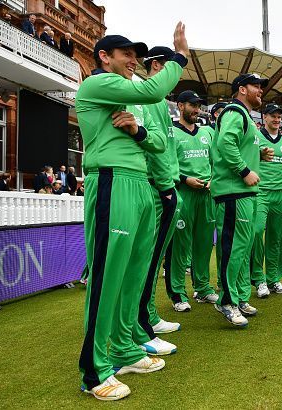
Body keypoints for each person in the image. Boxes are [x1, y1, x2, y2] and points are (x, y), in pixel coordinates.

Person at [76, 24, 189, 402]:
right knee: (108, 276)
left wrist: (138, 130)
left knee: (134, 273)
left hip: (140, 184)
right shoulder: (98, 84)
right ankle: (94, 371)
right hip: (112, 181)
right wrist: (178, 57)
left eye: (136, 55)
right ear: (104, 57)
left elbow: (158, 143)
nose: (134, 61)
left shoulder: (128, 98)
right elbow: (155, 87)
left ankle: (124, 349)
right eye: (126, 54)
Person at [129, 46, 184, 357]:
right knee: (146, 261)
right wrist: (165, 186)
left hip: (164, 184)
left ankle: (147, 316)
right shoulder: (147, 97)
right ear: (158, 66)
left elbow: (165, 146)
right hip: (155, 187)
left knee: (153, 260)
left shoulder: (161, 102)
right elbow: (154, 148)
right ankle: (141, 327)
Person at [211, 73, 272, 327]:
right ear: (242, 89)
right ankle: (226, 300)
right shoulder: (235, 111)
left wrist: (257, 153)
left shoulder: (246, 116)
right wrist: (245, 171)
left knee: (242, 248)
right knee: (233, 248)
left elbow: (237, 144)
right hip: (233, 190)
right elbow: (225, 143)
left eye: (261, 87)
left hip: (244, 193)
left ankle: (236, 296)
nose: (260, 90)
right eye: (256, 86)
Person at [165, 90, 218, 311]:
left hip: (206, 195)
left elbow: (217, 161)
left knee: (205, 244)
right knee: (180, 246)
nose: (196, 110)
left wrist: (214, 180)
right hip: (183, 193)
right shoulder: (171, 132)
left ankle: (203, 288)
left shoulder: (207, 132)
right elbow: (166, 165)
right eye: (192, 105)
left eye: (198, 106)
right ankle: (178, 293)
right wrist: (185, 179)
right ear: (180, 106)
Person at [250, 103, 282, 298]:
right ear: (264, 117)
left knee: (277, 236)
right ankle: (258, 279)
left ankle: (274, 279)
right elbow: (247, 159)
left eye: (279, 116)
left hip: (278, 194)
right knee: (257, 231)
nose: (276, 119)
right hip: (260, 192)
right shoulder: (255, 137)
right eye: (272, 116)